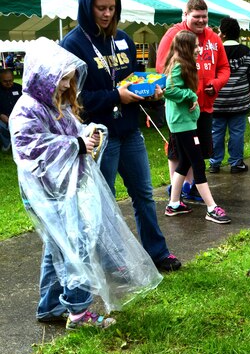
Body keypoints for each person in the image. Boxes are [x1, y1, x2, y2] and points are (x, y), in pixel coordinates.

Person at [10, 37, 163, 329]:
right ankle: (79, 313)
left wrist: (89, 133)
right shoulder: (27, 109)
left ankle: (50, 305)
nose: (68, 86)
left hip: (62, 188)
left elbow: (73, 131)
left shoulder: (53, 104)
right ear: (44, 76)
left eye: (69, 79)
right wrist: (77, 144)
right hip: (48, 191)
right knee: (75, 245)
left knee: (58, 246)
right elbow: (31, 149)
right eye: (62, 79)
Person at [61, 0, 181, 272]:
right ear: (87, 6)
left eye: (112, 8)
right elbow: (76, 98)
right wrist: (117, 96)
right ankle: (107, 260)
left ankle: (157, 252)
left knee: (144, 195)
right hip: (100, 137)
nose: (106, 14)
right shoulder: (73, 44)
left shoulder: (124, 40)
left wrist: (149, 92)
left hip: (129, 130)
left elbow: (133, 78)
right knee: (103, 201)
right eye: (101, 8)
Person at [156, 0, 230, 202]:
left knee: (199, 150)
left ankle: (188, 188)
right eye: (196, 16)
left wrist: (215, 83)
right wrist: (187, 93)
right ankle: (178, 190)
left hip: (204, 105)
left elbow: (225, 68)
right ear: (186, 15)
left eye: (204, 17)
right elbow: (163, 71)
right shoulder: (174, 34)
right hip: (181, 109)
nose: (201, 20)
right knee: (178, 151)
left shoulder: (214, 38)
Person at [163, 31, 231, 224]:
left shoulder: (183, 64)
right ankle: (211, 208)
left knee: (185, 162)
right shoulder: (178, 65)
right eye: (195, 46)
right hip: (182, 123)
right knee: (198, 162)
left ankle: (174, 204)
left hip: (186, 121)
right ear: (186, 48)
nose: (198, 49)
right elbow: (170, 90)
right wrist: (191, 96)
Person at [209, 17, 250, 174]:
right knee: (237, 133)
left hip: (217, 100)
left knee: (216, 132)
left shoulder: (214, 52)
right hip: (239, 100)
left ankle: (214, 163)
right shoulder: (248, 53)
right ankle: (236, 163)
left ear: (222, 33)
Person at [0, 69, 22, 151]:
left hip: (19, 115)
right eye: (5, 81)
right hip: (4, 117)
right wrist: (1, 115)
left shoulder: (19, 88)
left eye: (10, 80)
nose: (8, 83)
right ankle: (7, 143)